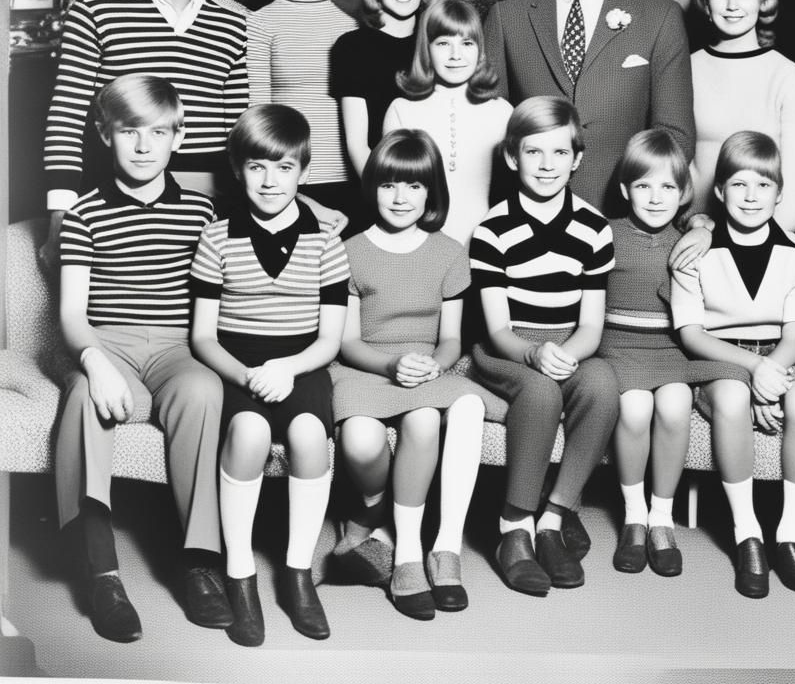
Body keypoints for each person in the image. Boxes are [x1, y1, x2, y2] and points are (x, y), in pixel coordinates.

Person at [54, 74, 230, 642]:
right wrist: (95, 360)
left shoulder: (202, 212)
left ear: (179, 137)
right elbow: (72, 314)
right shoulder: (84, 212)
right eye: (129, 131)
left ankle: (199, 562)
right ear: (106, 134)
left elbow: (215, 301)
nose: (143, 145)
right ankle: (102, 573)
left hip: (179, 343)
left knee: (204, 391)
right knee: (86, 396)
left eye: (158, 132)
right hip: (109, 339)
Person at [190, 105, 349, 646]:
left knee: (308, 433)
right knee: (251, 432)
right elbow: (203, 337)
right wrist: (248, 374)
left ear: (303, 173)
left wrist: (287, 367)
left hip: (301, 363)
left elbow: (329, 340)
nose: (270, 180)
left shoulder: (326, 240)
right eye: (257, 167)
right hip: (238, 365)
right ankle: (240, 573)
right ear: (238, 170)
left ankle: (298, 573)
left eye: (284, 168)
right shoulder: (217, 238)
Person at [331, 129, 502, 620]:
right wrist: (390, 365)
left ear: (431, 191)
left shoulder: (448, 252)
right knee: (361, 442)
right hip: (365, 368)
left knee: (455, 408)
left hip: (426, 371)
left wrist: (435, 365)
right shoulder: (351, 250)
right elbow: (347, 342)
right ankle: (374, 515)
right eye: (388, 185)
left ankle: (429, 550)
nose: (401, 197)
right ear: (373, 189)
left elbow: (450, 340)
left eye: (413, 186)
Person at [42, 0, 248, 265]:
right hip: (120, 203)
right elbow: (67, 117)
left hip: (212, 212)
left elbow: (240, 130)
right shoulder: (94, 10)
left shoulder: (235, 22)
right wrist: (60, 213)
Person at [470, 96, 619, 595]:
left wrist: (569, 354)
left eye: (559, 153)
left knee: (601, 382)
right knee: (538, 393)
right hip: (507, 349)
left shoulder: (594, 228)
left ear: (577, 159)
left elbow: (591, 326)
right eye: (534, 153)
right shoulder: (492, 230)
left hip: (568, 343)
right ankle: (514, 527)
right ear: (512, 157)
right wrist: (533, 354)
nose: (547, 165)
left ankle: (554, 518)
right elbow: (496, 330)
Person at [483, 0, 695, 217]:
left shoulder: (660, 17)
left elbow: (675, 136)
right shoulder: (508, 19)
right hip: (531, 225)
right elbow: (492, 134)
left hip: (624, 221)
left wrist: (643, 202)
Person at [671, 131, 795, 599]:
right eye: (739, 185)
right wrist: (751, 372)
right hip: (717, 360)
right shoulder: (697, 253)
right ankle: (747, 532)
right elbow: (692, 335)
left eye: (763, 186)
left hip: (779, 356)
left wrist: (771, 375)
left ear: (779, 193)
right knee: (734, 397)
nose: (751, 196)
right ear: (719, 192)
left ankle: (790, 535)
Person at [602, 130, 747, 577]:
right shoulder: (603, 233)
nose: (655, 197)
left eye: (667, 187)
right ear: (625, 189)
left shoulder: (690, 235)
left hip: (669, 349)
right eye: (643, 185)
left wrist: (705, 227)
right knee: (633, 405)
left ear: (684, 193)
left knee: (676, 401)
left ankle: (661, 517)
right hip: (618, 349)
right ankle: (633, 516)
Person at [688, 0, 795, 231]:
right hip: (693, 231)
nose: (733, 6)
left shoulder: (789, 77)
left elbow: (794, 190)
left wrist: (761, 249)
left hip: (765, 240)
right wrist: (694, 227)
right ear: (706, 3)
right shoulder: (684, 69)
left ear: (764, 0)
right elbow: (674, 167)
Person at [249, 0, 358, 215]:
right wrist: (299, 198)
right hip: (285, 185)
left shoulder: (354, 23)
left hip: (352, 182)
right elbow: (258, 120)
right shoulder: (259, 24)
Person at [329, 0, 440, 228]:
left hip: (436, 196)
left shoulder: (439, 46)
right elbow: (357, 144)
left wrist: (429, 200)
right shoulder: (352, 48)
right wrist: (393, 201)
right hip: (378, 197)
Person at [383, 0, 513, 245]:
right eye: (443, 43)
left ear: (480, 50)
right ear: (426, 49)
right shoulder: (402, 111)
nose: (456, 55)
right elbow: (393, 195)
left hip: (488, 247)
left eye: (467, 43)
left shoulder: (502, 112)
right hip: (420, 247)